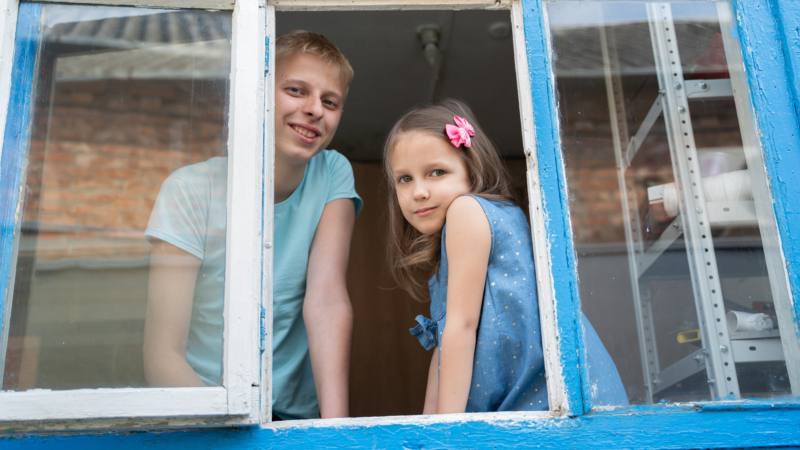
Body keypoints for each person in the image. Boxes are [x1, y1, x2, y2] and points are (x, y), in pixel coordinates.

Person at [143, 30, 362, 421]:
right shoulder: (190, 189)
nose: (315, 109)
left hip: (298, 418)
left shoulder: (333, 172)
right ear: (255, 91)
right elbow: (162, 355)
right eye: (296, 90)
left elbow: (326, 301)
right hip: (206, 412)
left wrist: (336, 430)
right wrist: (225, 425)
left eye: (330, 101)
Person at [383, 99, 627, 414]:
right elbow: (447, 341)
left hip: (551, 405)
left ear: (472, 169)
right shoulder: (484, 218)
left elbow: (461, 327)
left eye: (436, 172)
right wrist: (427, 426)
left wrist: (445, 432)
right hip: (546, 405)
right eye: (405, 178)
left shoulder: (466, 211)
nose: (419, 191)